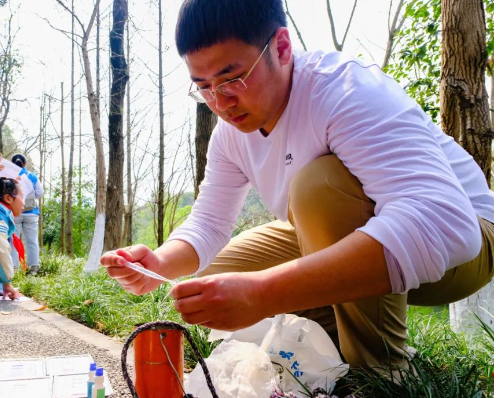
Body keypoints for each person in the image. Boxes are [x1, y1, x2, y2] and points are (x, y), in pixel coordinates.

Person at [101, 0, 494, 371]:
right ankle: (329, 345)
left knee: (318, 188)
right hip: (340, 232)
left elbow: (447, 224)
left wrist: (263, 293)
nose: (221, 103)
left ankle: (379, 370)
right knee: (216, 284)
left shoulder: (342, 90)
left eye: (232, 78)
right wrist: (160, 262)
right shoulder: (230, 134)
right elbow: (208, 224)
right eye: (203, 86)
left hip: (467, 243)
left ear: (282, 47)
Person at [10, 153, 44, 273]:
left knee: (14, 240)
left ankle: (14, 267)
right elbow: (40, 193)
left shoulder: (9, 176)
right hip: (31, 212)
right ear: (25, 163)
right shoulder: (32, 176)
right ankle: (33, 268)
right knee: (32, 240)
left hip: (14, 213)